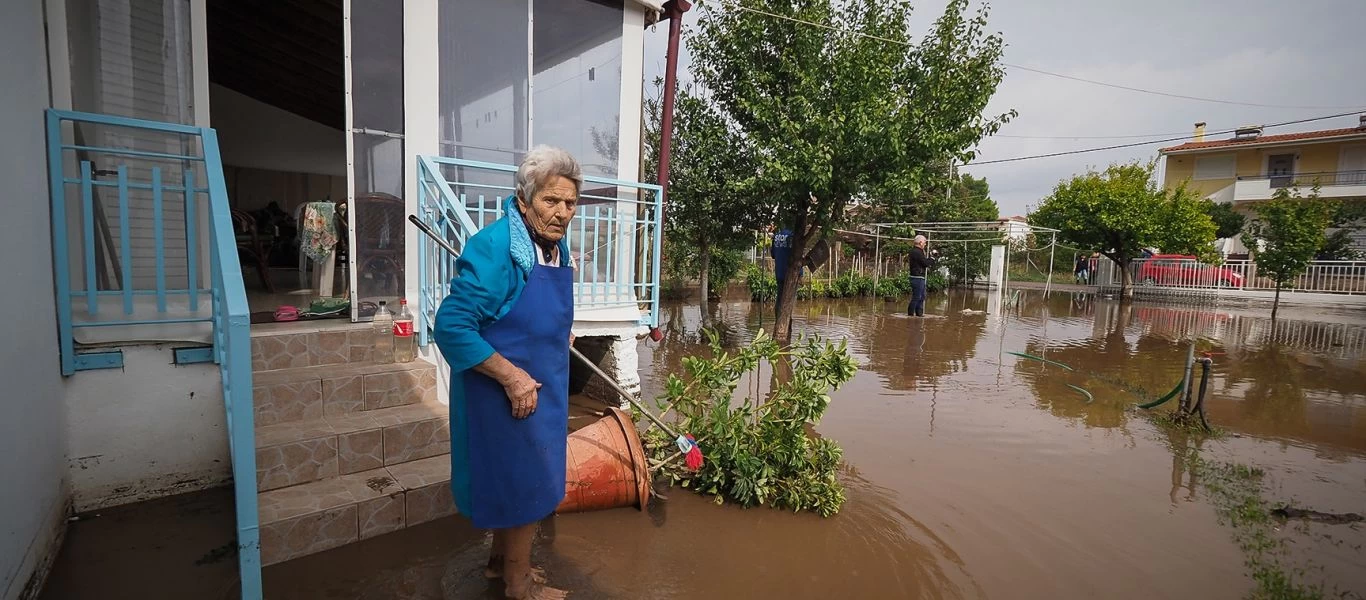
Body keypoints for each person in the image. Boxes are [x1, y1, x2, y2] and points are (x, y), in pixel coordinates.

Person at [434, 146, 579, 600]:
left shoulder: (553, 246)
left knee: (519, 483)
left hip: (545, 387)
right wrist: (511, 377)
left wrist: (561, 333)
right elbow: (452, 326)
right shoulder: (497, 247)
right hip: (507, 394)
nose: (561, 213)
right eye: (550, 201)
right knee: (521, 487)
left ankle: (501, 566)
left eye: (570, 203)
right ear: (524, 200)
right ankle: (520, 587)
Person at [908, 235, 937, 317]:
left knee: (921, 296)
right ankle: (910, 315)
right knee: (917, 297)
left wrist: (931, 258)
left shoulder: (917, 251)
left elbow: (923, 262)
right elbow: (925, 263)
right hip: (917, 277)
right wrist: (932, 258)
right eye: (924, 242)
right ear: (920, 242)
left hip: (919, 277)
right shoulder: (917, 252)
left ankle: (919, 314)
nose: (925, 244)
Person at [771, 227, 794, 318]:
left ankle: (778, 321)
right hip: (790, 274)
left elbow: (773, 254)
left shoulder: (776, 235)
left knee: (779, 299)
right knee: (789, 300)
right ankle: (785, 326)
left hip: (779, 272)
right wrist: (800, 274)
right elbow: (796, 256)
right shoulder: (792, 235)